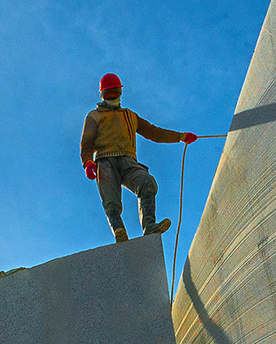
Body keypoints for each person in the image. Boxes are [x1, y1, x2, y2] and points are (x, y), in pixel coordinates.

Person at [80, 72, 197, 243]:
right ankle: (119, 232)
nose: (112, 96)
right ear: (102, 94)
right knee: (111, 201)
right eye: (108, 94)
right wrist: (88, 163)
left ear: (120, 92)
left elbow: (154, 132)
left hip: (128, 161)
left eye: (115, 93)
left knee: (147, 183)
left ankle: (149, 226)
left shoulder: (130, 116)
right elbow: (86, 143)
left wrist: (180, 136)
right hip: (105, 161)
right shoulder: (94, 116)